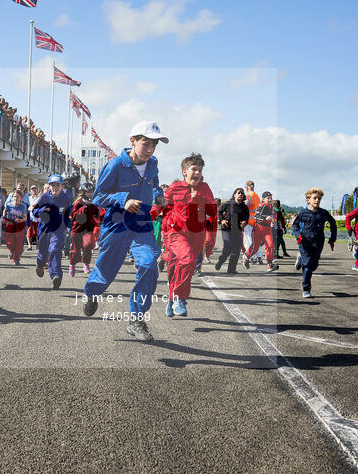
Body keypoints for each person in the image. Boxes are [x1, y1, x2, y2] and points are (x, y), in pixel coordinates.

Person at [82, 121, 169, 342]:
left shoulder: (153, 163)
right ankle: (92, 293)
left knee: (149, 265)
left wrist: (158, 194)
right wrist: (124, 199)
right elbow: (98, 198)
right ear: (133, 141)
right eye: (146, 144)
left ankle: (136, 320)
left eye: (154, 146)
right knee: (106, 270)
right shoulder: (115, 166)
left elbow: (155, 182)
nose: (150, 150)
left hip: (141, 225)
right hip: (117, 224)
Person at [158, 152, 216, 317]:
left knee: (186, 268)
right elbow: (161, 206)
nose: (197, 173)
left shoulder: (204, 188)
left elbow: (212, 211)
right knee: (186, 260)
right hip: (177, 233)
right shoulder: (175, 188)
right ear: (184, 171)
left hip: (197, 234)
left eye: (200, 170)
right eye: (194, 169)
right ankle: (179, 297)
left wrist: (199, 199)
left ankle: (171, 299)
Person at [291, 188, 337, 298]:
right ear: (308, 199)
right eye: (315, 198)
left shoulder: (323, 213)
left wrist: (332, 238)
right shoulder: (303, 212)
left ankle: (300, 259)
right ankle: (306, 289)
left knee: (314, 265)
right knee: (307, 266)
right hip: (305, 242)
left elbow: (333, 223)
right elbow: (294, 225)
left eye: (319, 199)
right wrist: (298, 236)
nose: (317, 200)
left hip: (318, 242)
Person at [32, 174, 73, 289]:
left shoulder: (65, 198)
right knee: (43, 251)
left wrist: (66, 226)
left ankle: (56, 276)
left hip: (58, 229)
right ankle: (40, 265)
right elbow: (34, 211)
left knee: (55, 250)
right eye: (52, 185)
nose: (55, 187)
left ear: (62, 186)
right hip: (44, 229)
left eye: (57, 185)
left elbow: (67, 213)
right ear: (49, 186)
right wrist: (42, 210)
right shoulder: (44, 197)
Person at [69, 185, 102, 277]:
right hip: (77, 229)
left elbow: (96, 215)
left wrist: (98, 221)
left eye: (91, 191)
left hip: (88, 229)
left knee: (88, 245)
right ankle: (72, 265)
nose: (90, 193)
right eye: (87, 191)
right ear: (83, 192)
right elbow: (73, 215)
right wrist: (84, 208)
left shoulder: (93, 203)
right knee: (75, 250)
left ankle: (86, 264)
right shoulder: (78, 203)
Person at [214, 189, 249, 274]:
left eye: (242, 193)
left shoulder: (244, 207)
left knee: (236, 251)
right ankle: (220, 261)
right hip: (227, 229)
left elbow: (246, 218)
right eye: (238, 193)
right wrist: (222, 220)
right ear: (234, 195)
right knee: (228, 248)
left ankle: (231, 270)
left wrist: (245, 222)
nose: (240, 195)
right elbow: (219, 212)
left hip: (237, 230)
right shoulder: (228, 204)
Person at [245, 191, 277, 271]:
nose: (270, 199)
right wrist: (265, 218)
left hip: (267, 229)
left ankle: (270, 264)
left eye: (271, 198)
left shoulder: (271, 207)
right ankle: (246, 256)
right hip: (259, 228)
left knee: (270, 245)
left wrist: (271, 222)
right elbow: (256, 216)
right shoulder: (262, 206)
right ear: (263, 199)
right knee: (255, 247)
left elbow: (271, 217)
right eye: (268, 198)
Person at [3, 189, 29, 266]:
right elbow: (5, 211)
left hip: (19, 226)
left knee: (19, 244)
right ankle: (12, 252)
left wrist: (20, 220)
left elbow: (25, 218)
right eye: (14, 196)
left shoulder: (23, 206)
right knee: (9, 243)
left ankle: (16, 259)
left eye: (18, 197)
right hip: (10, 226)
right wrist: (4, 218)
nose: (16, 198)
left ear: (21, 198)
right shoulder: (9, 205)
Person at [242, 181, 261, 263]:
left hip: (248, 221)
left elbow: (244, 208)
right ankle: (259, 257)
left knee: (248, 240)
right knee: (256, 240)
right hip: (256, 221)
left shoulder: (247, 196)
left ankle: (250, 257)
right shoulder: (257, 196)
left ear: (247, 187)